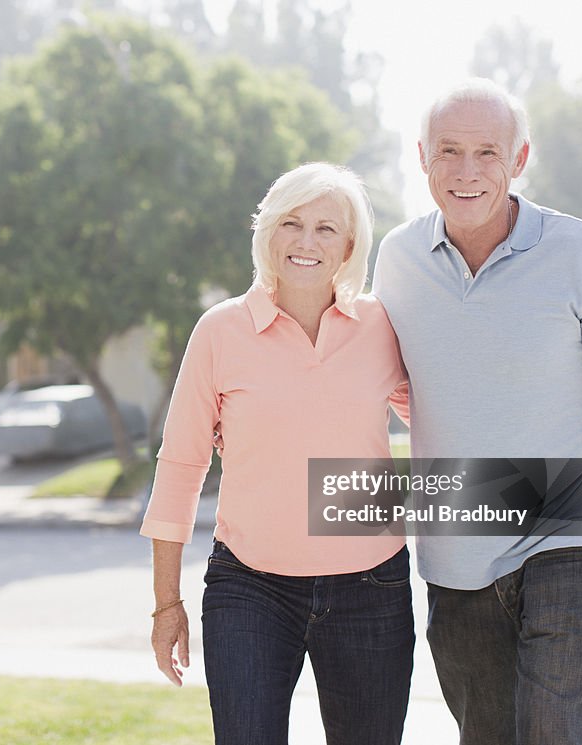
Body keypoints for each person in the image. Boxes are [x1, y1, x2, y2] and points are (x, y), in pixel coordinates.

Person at [373, 78, 582, 745]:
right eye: (450, 151)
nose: (467, 172)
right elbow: (382, 378)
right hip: (456, 542)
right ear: (422, 157)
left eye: (487, 152)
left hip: (567, 529)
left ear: (519, 159)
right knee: (485, 734)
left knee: (553, 731)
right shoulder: (396, 260)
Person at [140, 162, 414, 745]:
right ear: (267, 233)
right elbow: (181, 467)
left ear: (349, 246)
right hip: (250, 589)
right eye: (291, 223)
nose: (307, 241)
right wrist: (168, 604)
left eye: (325, 228)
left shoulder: (381, 325)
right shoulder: (220, 331)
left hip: (372, 589)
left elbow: (450, 419)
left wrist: (571, 401)